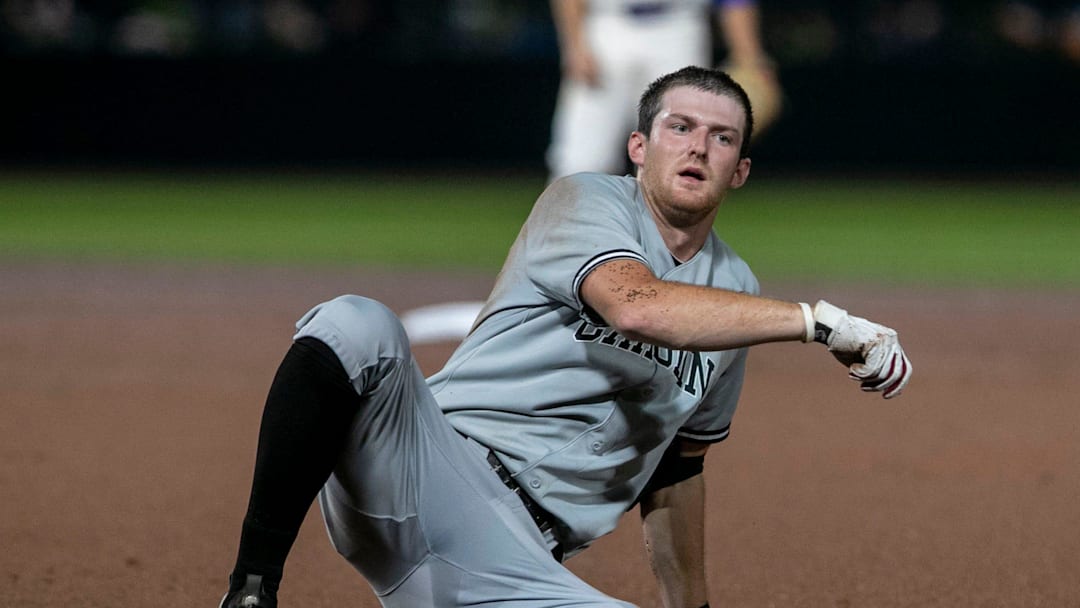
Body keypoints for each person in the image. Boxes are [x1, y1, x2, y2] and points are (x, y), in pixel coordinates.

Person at [218, 66, 912, 608]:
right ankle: (253, 585)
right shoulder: (585, 200)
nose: (699, 145)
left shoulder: (735, 296)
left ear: (741, 171)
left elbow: (678, 471)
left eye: (723, 137)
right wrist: (818, 322)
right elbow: (637, 305)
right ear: (639, 146)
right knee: (354, 323)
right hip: (423, 467)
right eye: (680, 126)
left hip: (511, 561)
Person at [546, 0, 782, 182]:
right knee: (581, 159)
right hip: (605, 27)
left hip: (678, 28)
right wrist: (574, 45)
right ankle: (568, 241)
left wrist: (749, 56)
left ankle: (665, 243)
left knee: (676, 159)